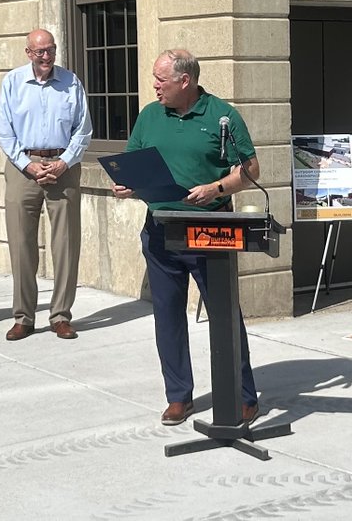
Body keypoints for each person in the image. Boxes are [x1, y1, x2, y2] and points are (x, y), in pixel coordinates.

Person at [111, 49, 261, 426]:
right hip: (161, 229)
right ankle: (178, 396)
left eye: (161, 80)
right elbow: (134, 162)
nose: (155, 86)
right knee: (167, 316)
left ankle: (244, 395)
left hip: (210, 229)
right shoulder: (149, 115)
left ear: (185, 81)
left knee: (225, 315)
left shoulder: (221, 116)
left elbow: (250, 169)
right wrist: (128, 185)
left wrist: (217, 188)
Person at [0, 28, 93, 340]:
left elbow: (83, 128)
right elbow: (4, 131)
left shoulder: (70, 82)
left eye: (51, 50)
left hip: (64, 166)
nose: (47, 57)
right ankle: (24, 317)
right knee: (21, 246)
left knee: (65, 245)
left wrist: (65, 161)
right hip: (23, 167)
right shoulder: (12, 82)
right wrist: (28, 165)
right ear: (29, 53)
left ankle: (61, 315)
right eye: (40, 52)